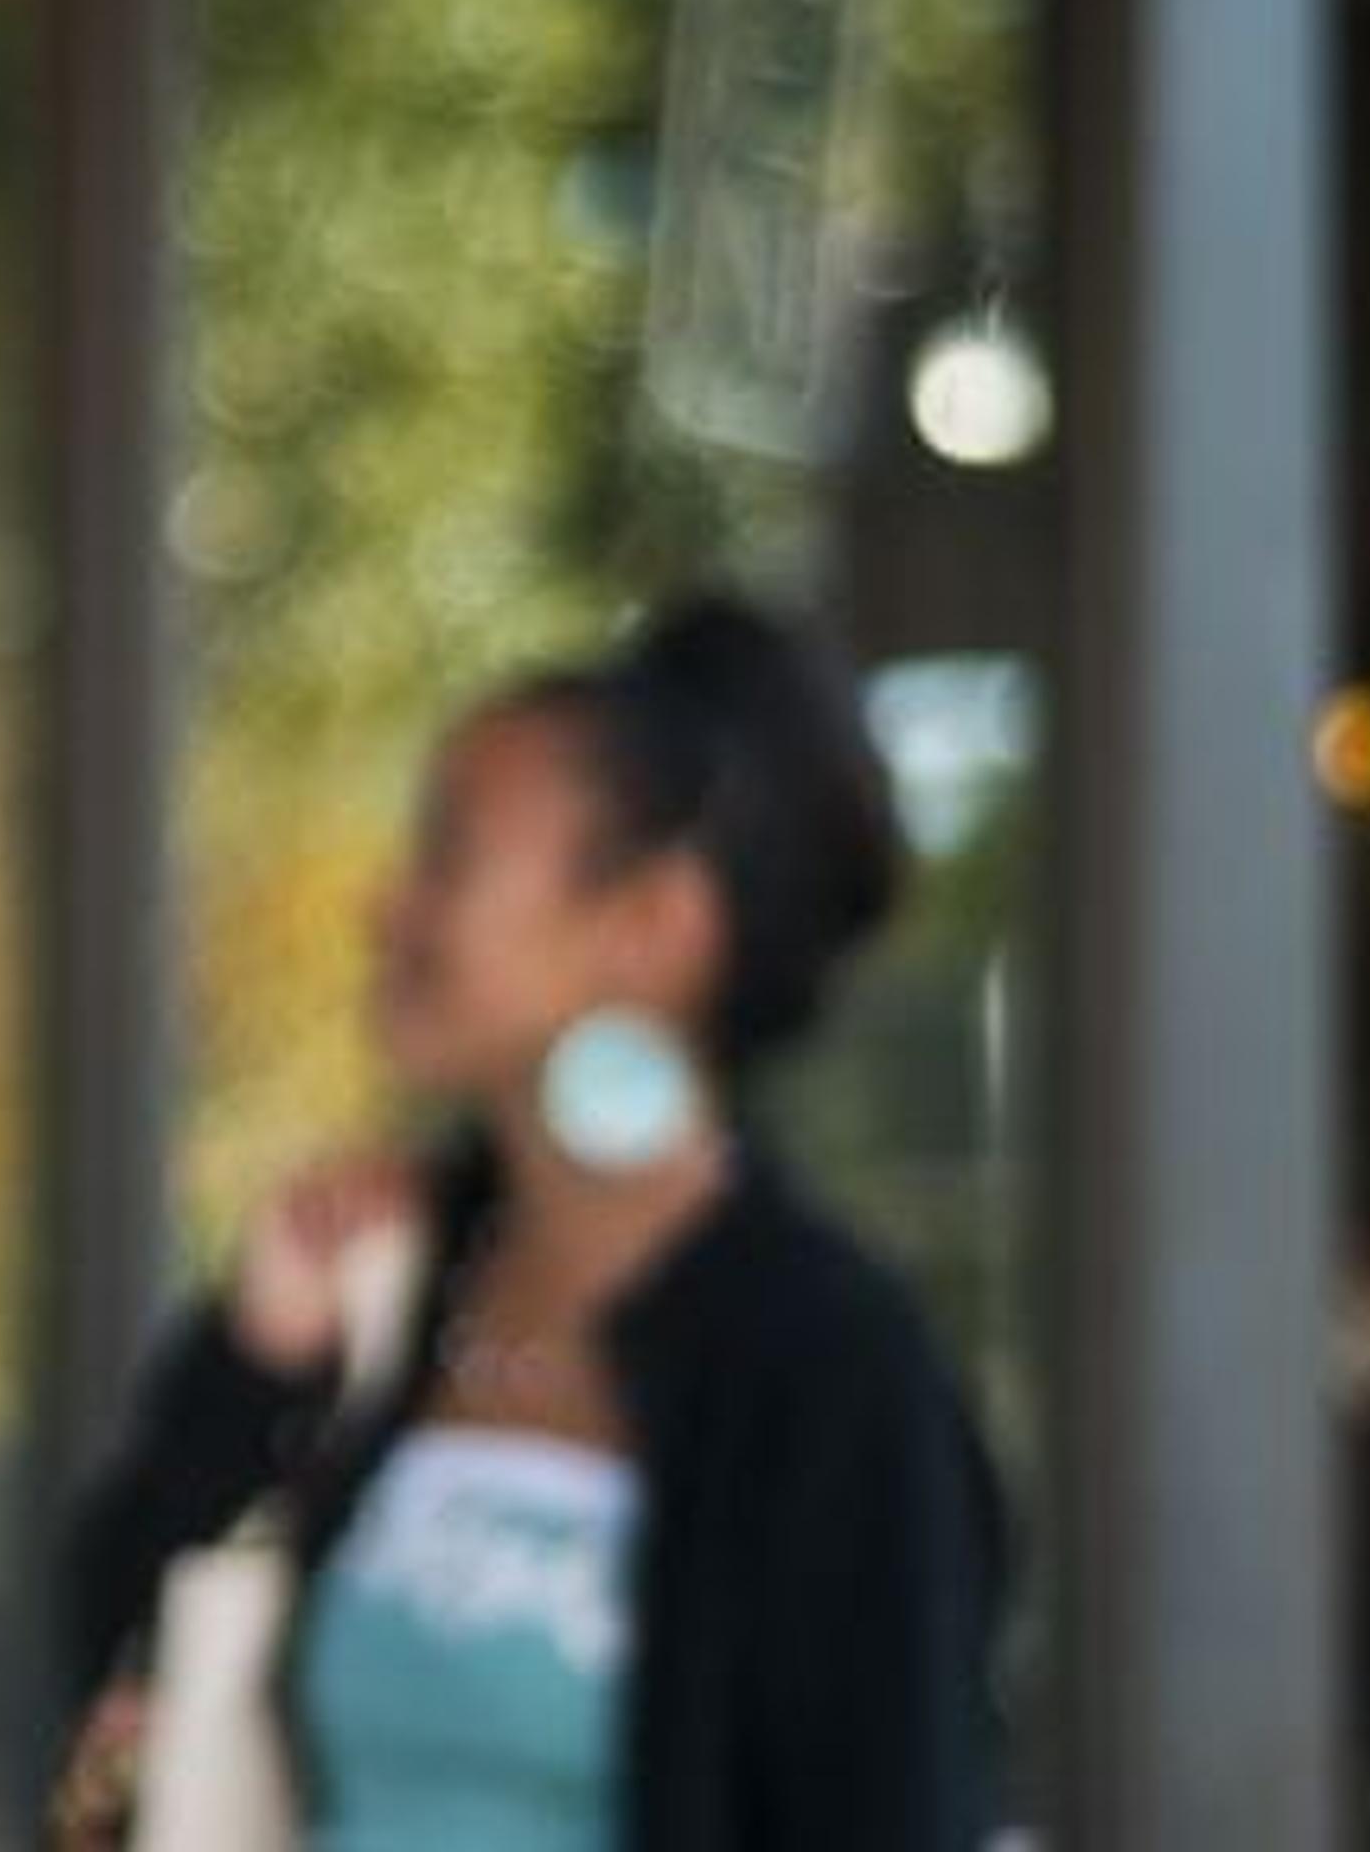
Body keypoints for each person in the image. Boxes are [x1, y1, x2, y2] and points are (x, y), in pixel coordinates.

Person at [50, 596, 1005, 1850]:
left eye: (450, 853)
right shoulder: (400, 1278)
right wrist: (257, 1367)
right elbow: (109, 1657)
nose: (386, 908)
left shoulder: (832, 1365)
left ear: (652, 926)